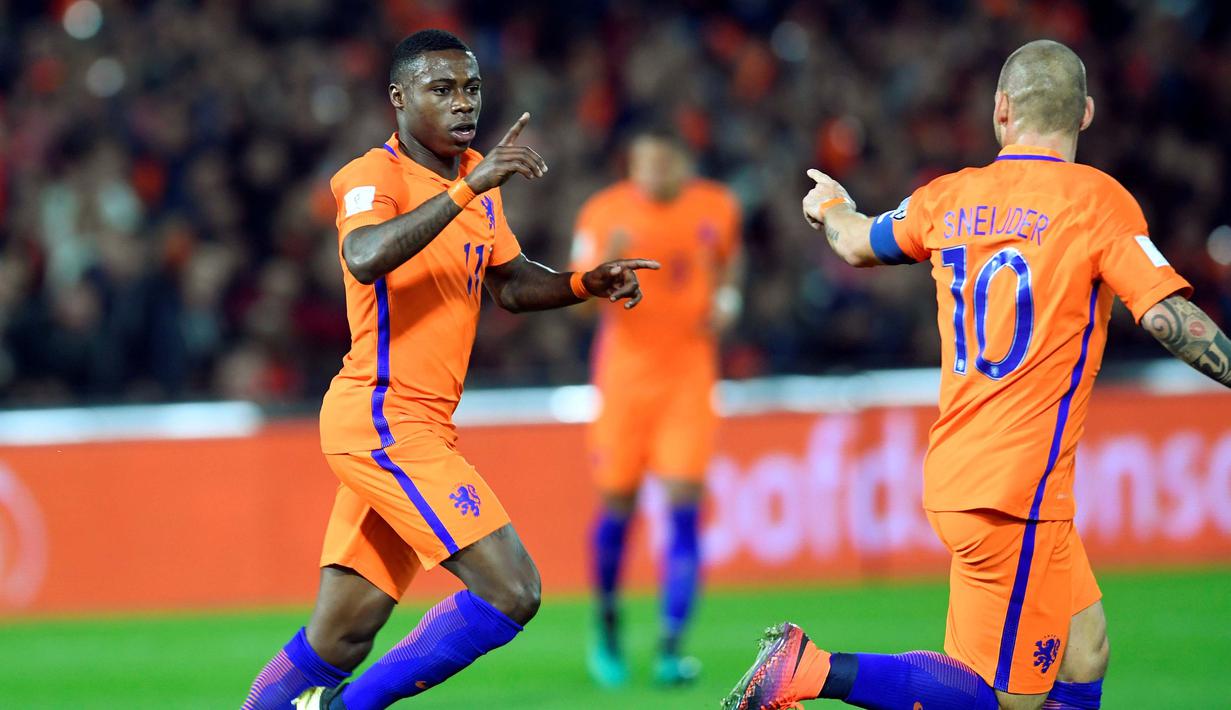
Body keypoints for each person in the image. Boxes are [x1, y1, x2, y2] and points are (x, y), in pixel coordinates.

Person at [723, 39, 1231, 710]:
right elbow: (1166, 319)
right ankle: (809, 669)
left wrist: (831, 207)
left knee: (1085, 652)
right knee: (1000, 701)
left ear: (1000, 110)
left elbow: (855, 241)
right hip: (1013, 493)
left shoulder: (948, 196)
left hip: (975, 471)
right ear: (1083, 113)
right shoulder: (1097, 202)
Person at [239, 29, 659, 710]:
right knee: (511, 589)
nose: (463, 104)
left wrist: (585, 282)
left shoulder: (472, 180)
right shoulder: (371, 176)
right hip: (379, 416)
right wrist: (470, 191)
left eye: (470, 88)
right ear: (399, 100)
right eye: (442, 89)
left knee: (340, 637)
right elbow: (365, 255)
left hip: (420, 425)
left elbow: (512, 285)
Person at [571, 128, 743, 687]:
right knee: (617, 504)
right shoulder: (602, 214)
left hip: (689, 375)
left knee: (684, 503)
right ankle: (607, 627)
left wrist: (728, 298)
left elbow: (729, 262)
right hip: (623, 379)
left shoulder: (715, 206)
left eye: (662, 161)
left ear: (683, 162)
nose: (651, 172)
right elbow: (574, 308)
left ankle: (671, 645)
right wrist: (600, 271)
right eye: (642, 161)